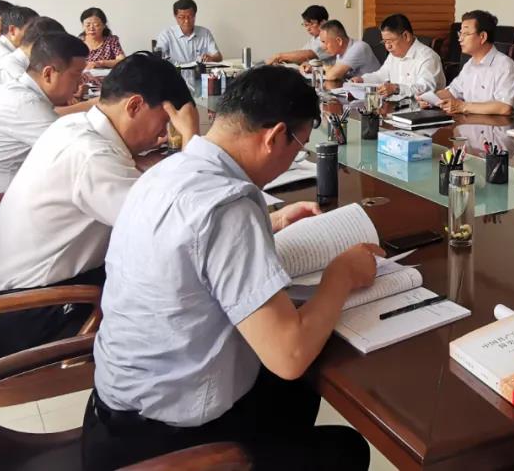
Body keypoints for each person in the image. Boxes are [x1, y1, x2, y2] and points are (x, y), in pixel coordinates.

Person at [84, 65, 374, 471]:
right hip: (165, 444)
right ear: (275, 137)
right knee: (346, 447)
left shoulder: (168, 169)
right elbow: (288, 355)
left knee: (297, 392)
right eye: (298, 146)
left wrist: (271, 221)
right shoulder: (228, 206)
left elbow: (195, 244)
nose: (294, 157)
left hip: (113, 415)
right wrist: (341, 274)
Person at [0, 52, 199, 356]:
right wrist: (191, 143)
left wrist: (144, 162)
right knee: (182, 304)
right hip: (32, 314)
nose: (164, 136)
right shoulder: (93, 157)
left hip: (12, 294)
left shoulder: (73, 126)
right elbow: (174, 227)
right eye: (164, 123)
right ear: (134, 106)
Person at [0, 33, 90, 237]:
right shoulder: (24, 102)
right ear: (48, 73)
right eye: (76, 75)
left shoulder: (20, 91)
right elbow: (80, 154)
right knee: (93, 214)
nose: (79, 85)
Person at [0, 16, 69, 144]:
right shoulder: (12, 70)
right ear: (44, 45)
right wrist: (84, 106)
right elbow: (43, 112)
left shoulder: (19, 61)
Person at [422, 10, 514, 115]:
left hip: (498, 124)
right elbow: (453, 92)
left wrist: (462, 106)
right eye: (460, 34)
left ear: (483, 37)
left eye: (466, 34)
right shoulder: (469, 65)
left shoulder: (505, 66)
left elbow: (505, 107)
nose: (460, 39)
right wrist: (430, 98)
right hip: (470, 122)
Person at [352, 13, 445, 97]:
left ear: (406, 36)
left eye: (390, 41)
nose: (387, 46)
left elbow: (424, 89)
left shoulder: (428, 57)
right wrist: (362, 80)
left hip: (422, 109)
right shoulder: (393, 55)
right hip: (398, 107)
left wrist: (396, 88)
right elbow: (381, 76)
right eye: (385, 42)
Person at [154, 0, 221, 64]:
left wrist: (211, 58)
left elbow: (218, 57)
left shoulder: (205, 33)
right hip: (175, 70)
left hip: (199, 70)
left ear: (195, 15)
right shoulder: (166, 34)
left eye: (190, 16)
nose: (186, 21)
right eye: (182, 17)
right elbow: (158, 57)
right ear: (175, 17)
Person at [310, 19, 380, 82]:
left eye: (324, 42)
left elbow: (331, 76)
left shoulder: (358, 48)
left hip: (372, 90)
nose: (323, 47)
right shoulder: (340, 52)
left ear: (339, 41)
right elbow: (336, 73)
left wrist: (324, 68)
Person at [268, 5, 334, 66]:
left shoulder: (329, 37)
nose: (308, 28)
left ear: (323, 23)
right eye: (306, 25)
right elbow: (299, 56)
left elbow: (310, 54)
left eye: (311, 24)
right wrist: (281, 60)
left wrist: (280, 56)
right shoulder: (314, 39)